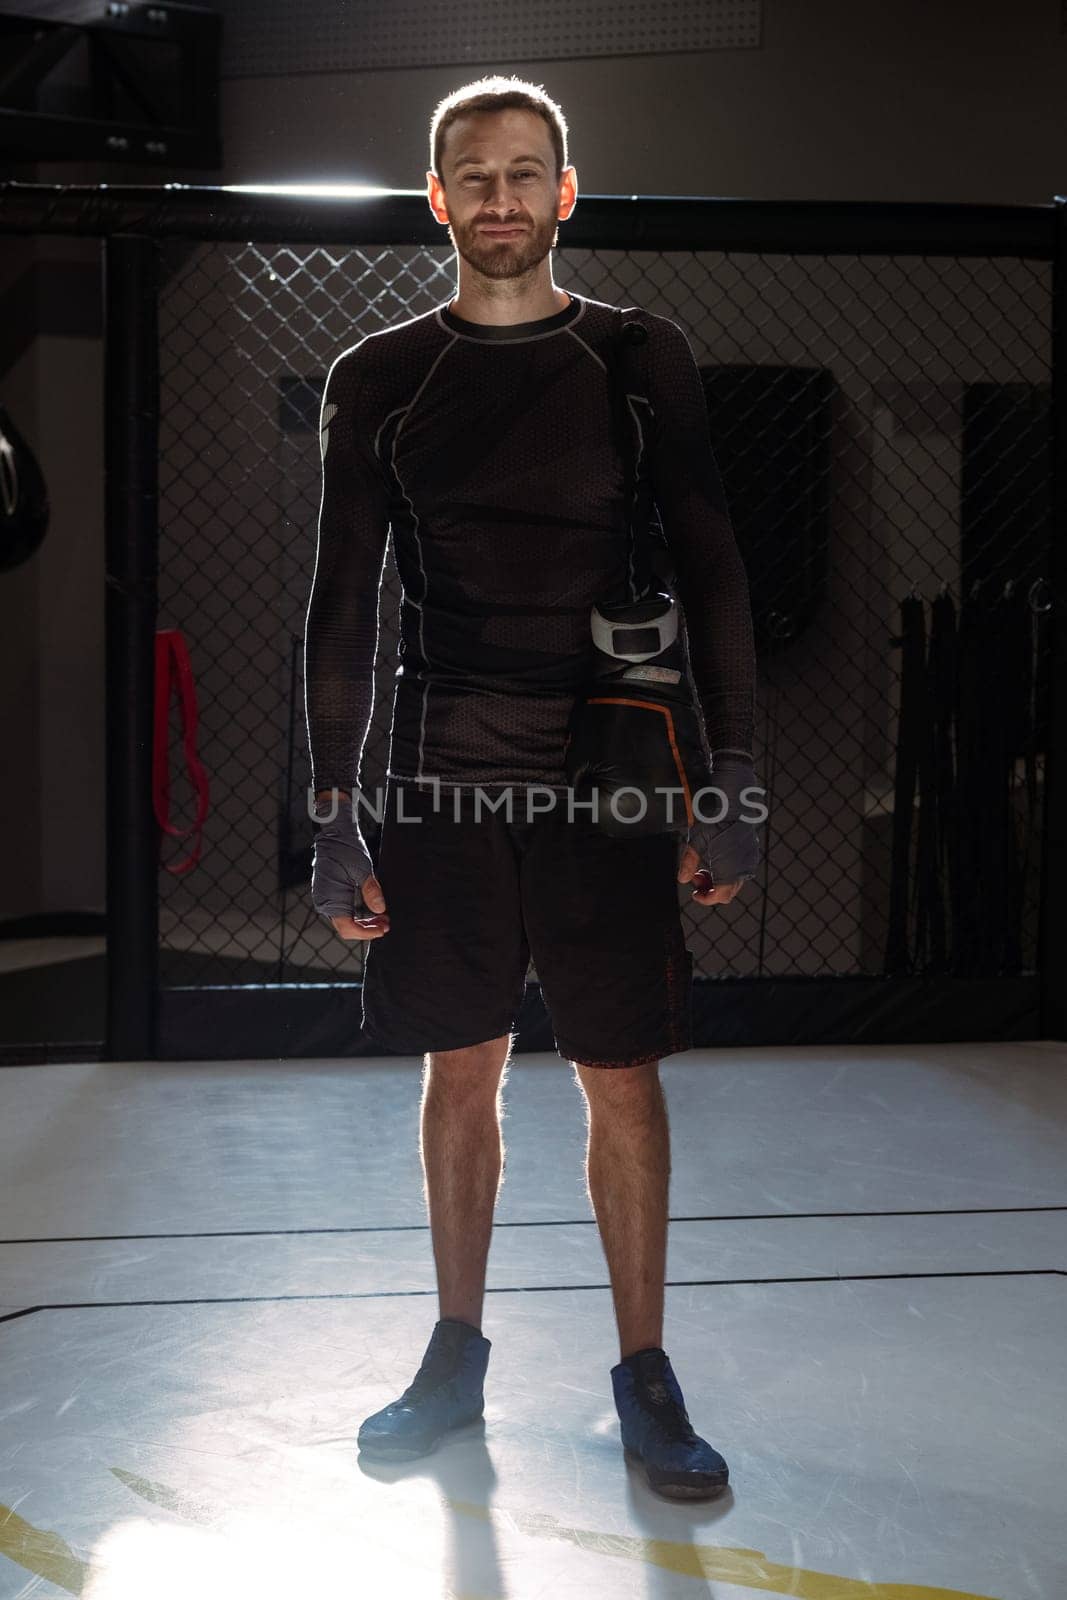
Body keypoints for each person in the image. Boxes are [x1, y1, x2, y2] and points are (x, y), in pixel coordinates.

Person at [303, 74, 763, 1501]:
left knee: (619, 1074)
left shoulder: (639, 356)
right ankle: (455, 1354)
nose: (499, 198)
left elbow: (713, 567)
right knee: (462, 1067)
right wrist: (331, 814)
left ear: (566, 192)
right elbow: (339, 606)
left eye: (525, 173)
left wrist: (734, 775)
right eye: (472, 176)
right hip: (439, 772)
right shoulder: (380, 375)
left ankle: (643, 1372)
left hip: (610, 777)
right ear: (437, 199)